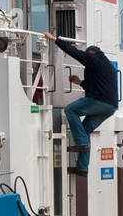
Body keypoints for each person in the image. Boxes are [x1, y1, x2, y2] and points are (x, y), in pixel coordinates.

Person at [43, 32, 117, 176]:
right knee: (85, 129)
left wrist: (55, 40)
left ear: (92, 53)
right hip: (110, 107)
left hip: (99, 101)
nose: (87, 57)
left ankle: (82, 143)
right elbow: (99, 85)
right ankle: (82, 167)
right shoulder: (105, 65)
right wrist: (80, 82)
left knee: (71, 110)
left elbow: (75, 52)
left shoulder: (94, 58)